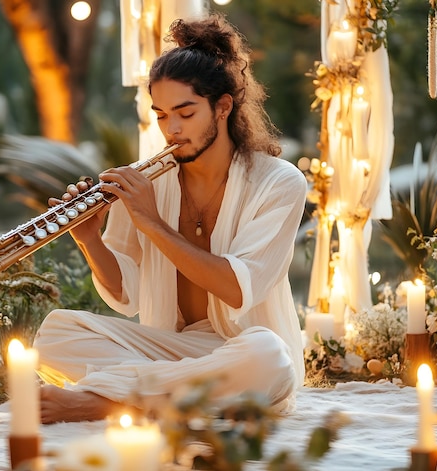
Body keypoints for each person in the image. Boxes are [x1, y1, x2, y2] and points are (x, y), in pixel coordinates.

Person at [33, 13, 307, 424]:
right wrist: (89, 238)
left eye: (185, 112)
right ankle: (163, 397)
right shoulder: (146, 180)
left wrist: (152, 222)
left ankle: (112, 400)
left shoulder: (280, 183)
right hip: (173, 349)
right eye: (161, 115)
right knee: (55, 335)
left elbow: (237, 289)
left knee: (269, 357)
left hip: (242, 350)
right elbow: (126, 296)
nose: (171, 129)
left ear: (222, 107)